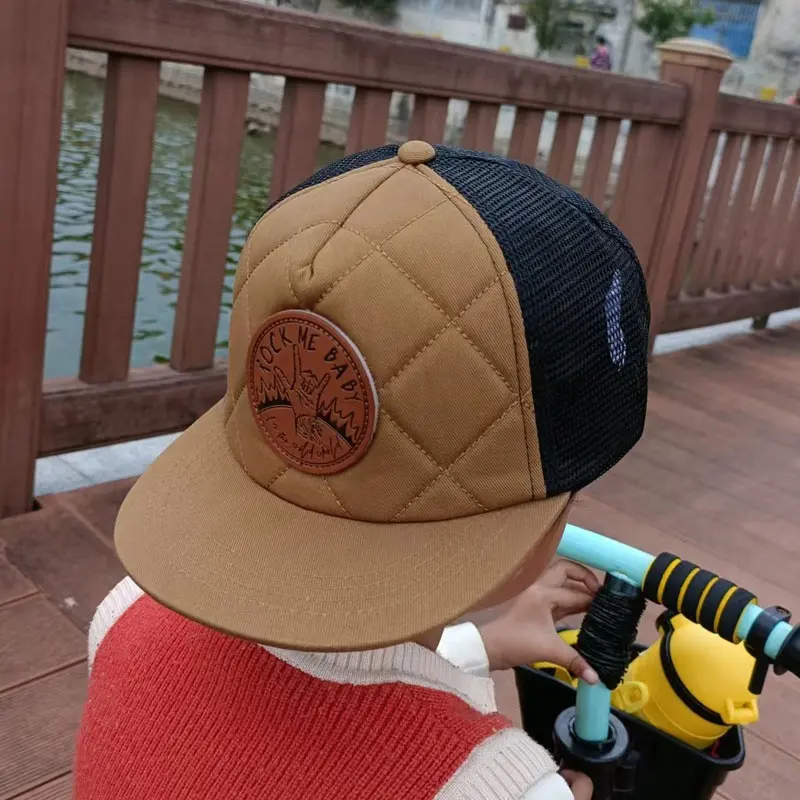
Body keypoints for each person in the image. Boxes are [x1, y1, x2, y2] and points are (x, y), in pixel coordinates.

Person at [73, 140, 650, 799]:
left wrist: (479, 647)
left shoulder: (125, 612)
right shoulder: (498, 786)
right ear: (536, 528)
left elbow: (292, 715)